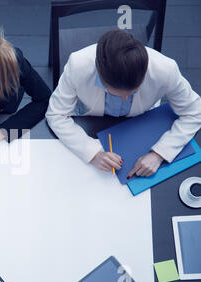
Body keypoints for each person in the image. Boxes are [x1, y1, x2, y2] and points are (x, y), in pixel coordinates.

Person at [46, 30, 201, 178]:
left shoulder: (166, 69)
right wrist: (92, 153)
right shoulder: (77, 65)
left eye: (132, 92)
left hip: (142, 121)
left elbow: (195, 111)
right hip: (93, 120)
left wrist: (160, 153)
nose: (125, 99)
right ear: (100, 75)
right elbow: (56, 114)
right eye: (115, 93)